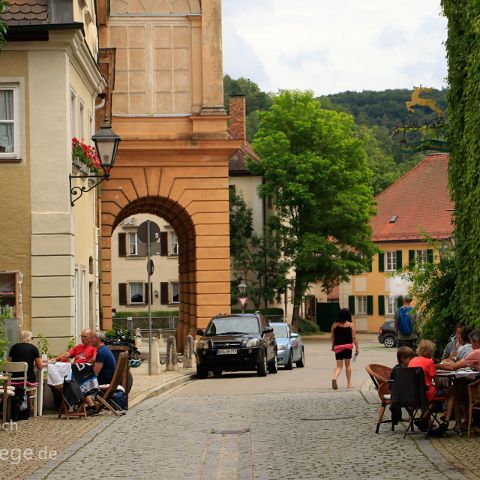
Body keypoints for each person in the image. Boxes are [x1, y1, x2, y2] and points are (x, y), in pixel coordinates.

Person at [409, 340, 454, 436]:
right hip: (427, 394)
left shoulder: (412, 361)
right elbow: (437, 383)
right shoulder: (429, 362)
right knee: (450, 393)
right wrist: (443, 386)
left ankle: (424, 418)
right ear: (430, 352)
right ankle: (446, 422)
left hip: (414, 394)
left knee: (435, 397)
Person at [8, 330, 45, 413]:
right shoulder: (33, 348)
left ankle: (14, 407)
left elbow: (8, 364)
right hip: (28, 378)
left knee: (25, 379)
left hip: (14, 378)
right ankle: (30, 407)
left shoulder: (14, 347)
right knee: (29, 378)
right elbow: (40, 367)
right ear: (29, 338)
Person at [331, 308, 358, 389]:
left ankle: (334, 377)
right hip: (348, 347)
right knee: (348, 366)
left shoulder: (334, 325)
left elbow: (332, 336)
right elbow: (354, 337)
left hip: (338, 347)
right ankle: (349, 384)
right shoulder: (351, 325)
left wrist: (333, 346)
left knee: (339, 366)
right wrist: (357, 348)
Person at [390, 346, 415, 423]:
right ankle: (398, 415)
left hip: (408, 392)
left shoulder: (412, 367)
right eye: (410, 359)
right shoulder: (396, 369)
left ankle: (413, 413)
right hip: (398, 391)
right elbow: (391, 382)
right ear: (402, 359)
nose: (412, 360)